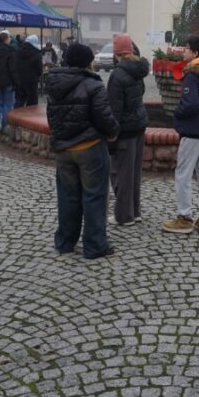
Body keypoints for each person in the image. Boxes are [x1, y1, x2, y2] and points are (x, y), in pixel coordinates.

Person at [45, 42, 120, 259]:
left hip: (64, 149)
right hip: (89, 147)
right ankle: (95, 245)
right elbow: (103, 116)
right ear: (87, 61)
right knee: (94, 196)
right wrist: (113, 131)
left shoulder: (54, 83)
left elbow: (52, 116)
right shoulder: (93, 84)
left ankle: (65, 242)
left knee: (67, 196)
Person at [162, 35, 199, 235]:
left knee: (183, 174)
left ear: (195, 53)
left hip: (193, 132)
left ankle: (184, 218)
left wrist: (177, 114)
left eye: (187, 49)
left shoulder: (193, 76)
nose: (184, 51)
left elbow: (190, 104)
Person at [106, 33, 149, 227]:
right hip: (139, 126)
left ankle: (124, 216)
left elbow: (114, 108)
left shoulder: (117, 75)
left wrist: (111, 133)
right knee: (133, 173)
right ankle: (135, 211)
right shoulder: (138, 70)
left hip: (124, 129)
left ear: (117, 52)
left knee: (119, 172)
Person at [16, 35, 43, 107]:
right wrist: (38, 75)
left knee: (20, 99)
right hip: (32, 80)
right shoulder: (36, 53)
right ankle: (30, 116)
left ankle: (16, 115)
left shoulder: (18, 51)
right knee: (32, 100)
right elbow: (39, 68)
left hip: (20, 79)